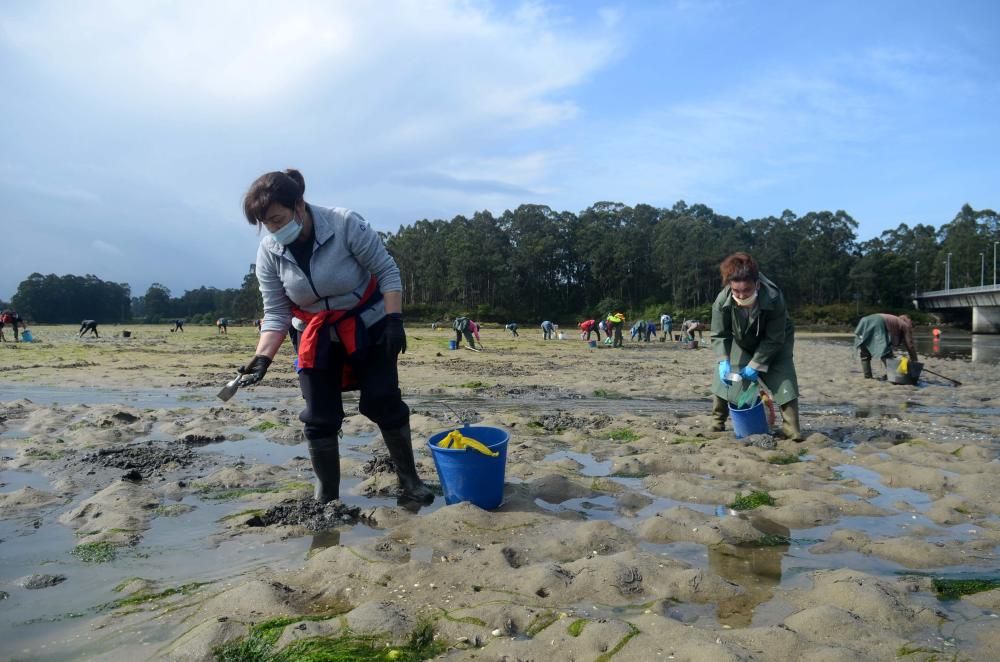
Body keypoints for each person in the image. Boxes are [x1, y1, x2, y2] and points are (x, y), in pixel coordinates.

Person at [236, 168, 432, 506]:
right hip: (314, 335)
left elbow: (387, 271)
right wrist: (263, 357)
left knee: (383, 400)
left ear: (299, 205)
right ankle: (327, 498)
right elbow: (277, 312)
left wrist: (394, 320)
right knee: (319, 416)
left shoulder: (343, 224)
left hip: (367, 324)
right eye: (267, 225)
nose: (274, 230)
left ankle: (410, 481)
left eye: (279, 219)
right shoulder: (269, 251)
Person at [709, 252, 802, 441]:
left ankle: (792, 431)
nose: (742, 296)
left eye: (747, 290)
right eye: (736, 291)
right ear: (730, 287)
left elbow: (774, 338)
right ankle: (716, 423)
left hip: (776, 340)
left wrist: (756, 364)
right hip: (741, 339)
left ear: (757, 284)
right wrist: (722, 360)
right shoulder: (722, 301)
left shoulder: (774, 298)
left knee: (784, 379)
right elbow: (719, 334)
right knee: (728, 377)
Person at [853, 313, 918, 379]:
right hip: (878, 322)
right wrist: (915, 360)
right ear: (908, 320)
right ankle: (894, 375)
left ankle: (868, 376)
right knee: (885, 353)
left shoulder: (893, 319)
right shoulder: (904, 324)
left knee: (865, 352)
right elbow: (910, 344)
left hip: (864, 320)